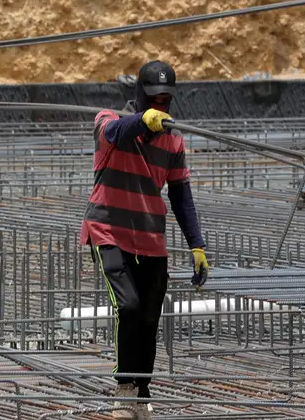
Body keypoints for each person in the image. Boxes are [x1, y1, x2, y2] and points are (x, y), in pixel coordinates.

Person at [79, 60, 209, 420]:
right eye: (154, 98)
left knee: (150, 316)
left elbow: (182, 198)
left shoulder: (174, 140)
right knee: (130, 306)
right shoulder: (108, 121)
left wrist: (196, 246)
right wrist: (141, 120)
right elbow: (116, 132)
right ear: (139, 95)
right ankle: (124, 387)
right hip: (109, 230)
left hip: (151, 236)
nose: (160, 106)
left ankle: (142, 392)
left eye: (166, 99)